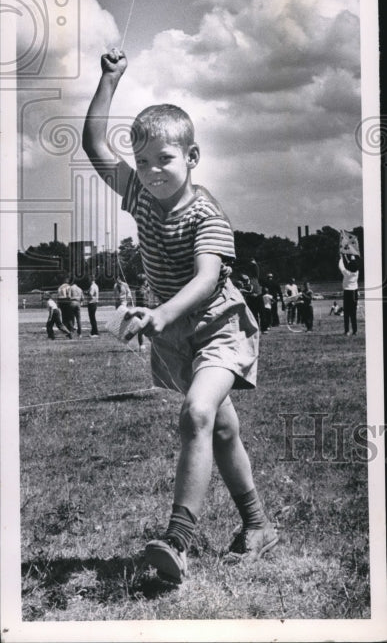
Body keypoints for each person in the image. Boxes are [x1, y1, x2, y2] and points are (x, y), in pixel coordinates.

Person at [82, 48, 278, 583]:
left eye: (163, 160)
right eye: (142, 162)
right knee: (220, 430)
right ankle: (258, 526)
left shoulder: (205, 214)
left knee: (196, 413)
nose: (149, 172)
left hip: (218, 327)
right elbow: (94, 144)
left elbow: (207, 278)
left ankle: (177, 540)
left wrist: (161, 313)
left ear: (192, 157)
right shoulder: (141, 195)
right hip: (177, 335)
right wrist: (109, 79)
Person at [339, 253, 360, 336]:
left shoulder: (346, 273)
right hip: (355, 292)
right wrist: (345, 256)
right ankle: (355, 331)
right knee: (353, 313)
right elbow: (350, 263)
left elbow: (341, 266)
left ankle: (347, 331)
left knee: (346, 313)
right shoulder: (357, 272)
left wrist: (341, 258)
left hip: (348, 292)